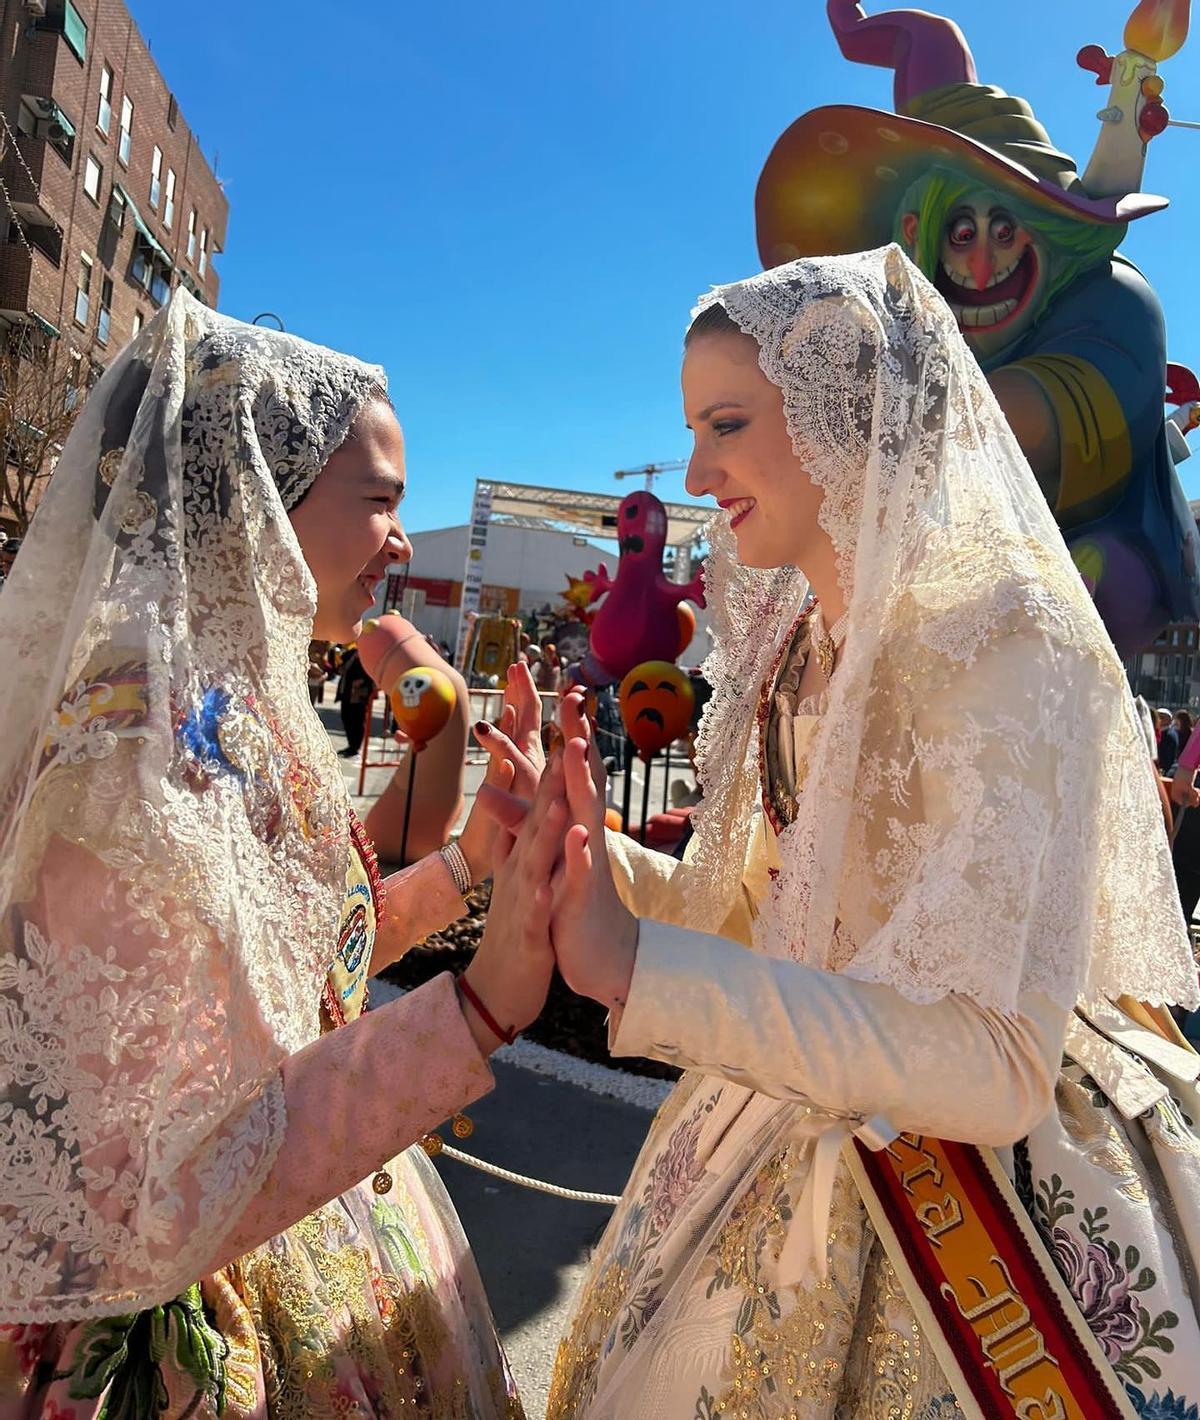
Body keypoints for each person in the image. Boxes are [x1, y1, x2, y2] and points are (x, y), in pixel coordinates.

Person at [497, 248, 1200, 1416]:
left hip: (992, 1204)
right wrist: (587, 860)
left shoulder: (1004, 639)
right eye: (693, 426)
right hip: (770, 1137)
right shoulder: (797, 642)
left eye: (728, 421)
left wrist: (643, 967)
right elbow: (767, 920)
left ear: (854, 418)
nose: (694, 467)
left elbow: (996, 1063)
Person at [0, 292, 563, 1417]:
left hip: (318, 1246)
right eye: (382, 504)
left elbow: (298, 976)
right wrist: (478, 1008)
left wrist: (473, 863)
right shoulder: (127, 759)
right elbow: (158, 1194)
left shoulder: (240, 708)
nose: (403, 540)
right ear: (256, 499)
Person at [1158, 707, 1181, 773]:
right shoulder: (1169, 732)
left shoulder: (1169, 735)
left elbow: (1167, 758)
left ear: (1169, 720)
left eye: (1162, 717)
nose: (1159, 719)